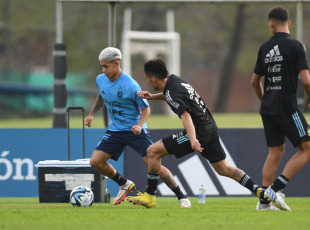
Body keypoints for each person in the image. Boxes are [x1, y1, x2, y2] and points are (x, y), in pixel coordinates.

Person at [126, 58, 281, 209]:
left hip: (198, 131)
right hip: (210, 127)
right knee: (223, 169)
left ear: (153, 79)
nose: (147, 82)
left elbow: (185, 115)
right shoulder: (175, 80)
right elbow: (172, 95)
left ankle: (150, 196)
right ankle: (260, 191)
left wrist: (192, 138)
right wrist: (153, 97)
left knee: (152, 151)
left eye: (147, 79)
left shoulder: (171, 94)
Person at [85, 47, 191, 208]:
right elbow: (102, 95)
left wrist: (139, 125)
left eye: (106, 66)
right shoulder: (101, 79)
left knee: (154, 164)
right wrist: (91, 114)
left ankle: (182, 197)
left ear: (116, 63)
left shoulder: (131, 85)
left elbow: (146, 109)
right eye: (102, 66)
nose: (103, 70)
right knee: (95, 162)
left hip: (135, 131)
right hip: (115, 130)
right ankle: (124, 184)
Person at [251, 6, 310, 211]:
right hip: (287, 107)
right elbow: (306, 80)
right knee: (307, 147)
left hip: (268, 107)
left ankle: (264, 203)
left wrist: (264, 100)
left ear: (272, 24)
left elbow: (254, 81)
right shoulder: (296, 46)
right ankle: (274, 189)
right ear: (289, 23)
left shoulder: (265, 47)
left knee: (275, 152)